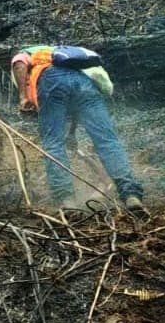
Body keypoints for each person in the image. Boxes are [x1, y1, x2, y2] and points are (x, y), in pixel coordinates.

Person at [11, 46, 145, 213]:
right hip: (86, 83)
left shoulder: (30, 54)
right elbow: (73, 102)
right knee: (107, 141)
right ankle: (131, 194)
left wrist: (23, 97)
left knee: (53, 143)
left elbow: (18, 63)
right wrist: (72, 133)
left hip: (52, 79)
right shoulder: (68, 58)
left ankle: (67, 200)